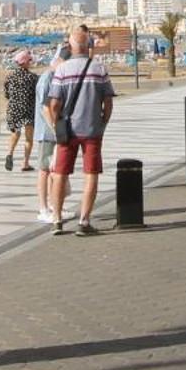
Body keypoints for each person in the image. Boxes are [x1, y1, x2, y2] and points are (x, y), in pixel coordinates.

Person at [44, 28, 115, 236]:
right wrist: (103, 122)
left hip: (67, 131)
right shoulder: (99, 69)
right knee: (91, 174)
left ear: (71, 46)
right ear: (88, 46)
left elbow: (54, 103)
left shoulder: (62, 70)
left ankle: (57, 220)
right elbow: (108, 101)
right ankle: (84, 221)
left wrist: (57, 121)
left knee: (59, 174)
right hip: (92, 130)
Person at [33, 43, 69, 222]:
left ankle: (55, 206)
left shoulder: (57, 77)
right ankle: (43, 208)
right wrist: (55, 129)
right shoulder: (47, 78)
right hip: (47, 132)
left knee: (55, 168)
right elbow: (44, 108)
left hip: (55, 130)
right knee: (44, 169)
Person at [2, 51, 37, 172]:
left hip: (13, 109)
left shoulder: (10, 77)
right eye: (30, 60)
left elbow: (7, 94)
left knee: (15, 133)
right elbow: (36, 95)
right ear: (26, 62)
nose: (31, 63)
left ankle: (10, 153)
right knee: (28, 138)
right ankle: (25, 163)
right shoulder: (32, 77)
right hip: (28, 109)